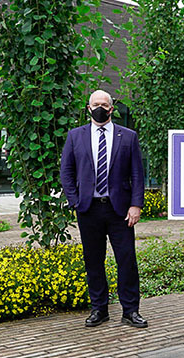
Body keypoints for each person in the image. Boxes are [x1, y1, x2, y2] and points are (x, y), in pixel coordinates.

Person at [60, 90, 148, 328]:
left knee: (127, 260)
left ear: (111, 108)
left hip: (120, 210)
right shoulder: (75, 136)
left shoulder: (128, 136)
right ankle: (99, 309)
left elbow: (137, 174)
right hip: (89, 209)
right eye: (96, 104)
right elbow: (66, 171)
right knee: (93, 261)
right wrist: (75, 201)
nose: (100, 108)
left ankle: (130, 311)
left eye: (104, 104)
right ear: (88, 108)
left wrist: (136, 204)